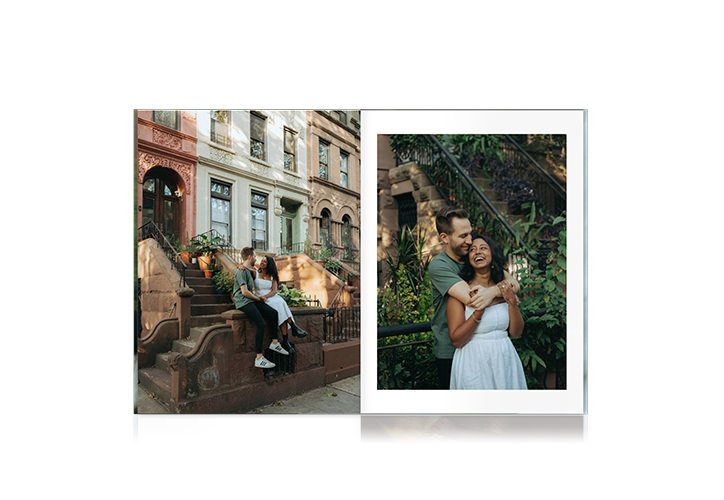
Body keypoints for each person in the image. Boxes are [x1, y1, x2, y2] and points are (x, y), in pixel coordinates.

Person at [427, 207, 520, 389]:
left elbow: (514, 284)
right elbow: (474, 300)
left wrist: (493, 292)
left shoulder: (475, 259)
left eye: (470, 234)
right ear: (445, 237)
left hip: (484, 347)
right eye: (463, 236)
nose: (470, 241)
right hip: (451, 349)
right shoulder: (439, 265)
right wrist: (506, 294)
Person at [447, 233, 527, 389]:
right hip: (473, 362)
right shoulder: (460, 293)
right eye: (472, 250)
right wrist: (478, 312)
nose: (478, 252)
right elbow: (456, 340)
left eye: (483, 248)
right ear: (468, 260)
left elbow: (517, 333)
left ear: (492, 255)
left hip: (504, 358)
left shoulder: (502, 289)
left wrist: (512, 303)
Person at [232, 247, 287, 369]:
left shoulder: (247, 269)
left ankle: (274, 342)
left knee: (273, 313)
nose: (257, 259)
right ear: (250, 257)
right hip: (243, 302)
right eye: (255, 256)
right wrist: (258, 299)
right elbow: (245, 292)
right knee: (261, 324)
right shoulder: (241, 271)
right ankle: (259, 357)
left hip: (250, 300)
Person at [255, 255, 309, 354]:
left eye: (265, 262)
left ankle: (286, 340)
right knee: (281, 304)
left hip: (269, 297)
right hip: (259, 296)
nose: (262, 263)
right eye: (261, 261)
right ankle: (292, 329)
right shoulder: (255, 272)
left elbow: (274, 291)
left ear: (269, 264)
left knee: (280, 303)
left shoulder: (273, 276)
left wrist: (266, 297)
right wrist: (240, 266)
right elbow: (244, 268)